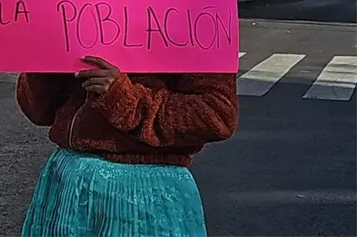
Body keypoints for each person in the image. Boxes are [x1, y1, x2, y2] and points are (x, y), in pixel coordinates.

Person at [17, 56, 238, 236]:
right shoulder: (74, 8)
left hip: (143, 196)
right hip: (64, 186)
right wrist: (44, 60)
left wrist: (123, 98)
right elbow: (39, 110)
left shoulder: (190, 8)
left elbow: (215, 114)